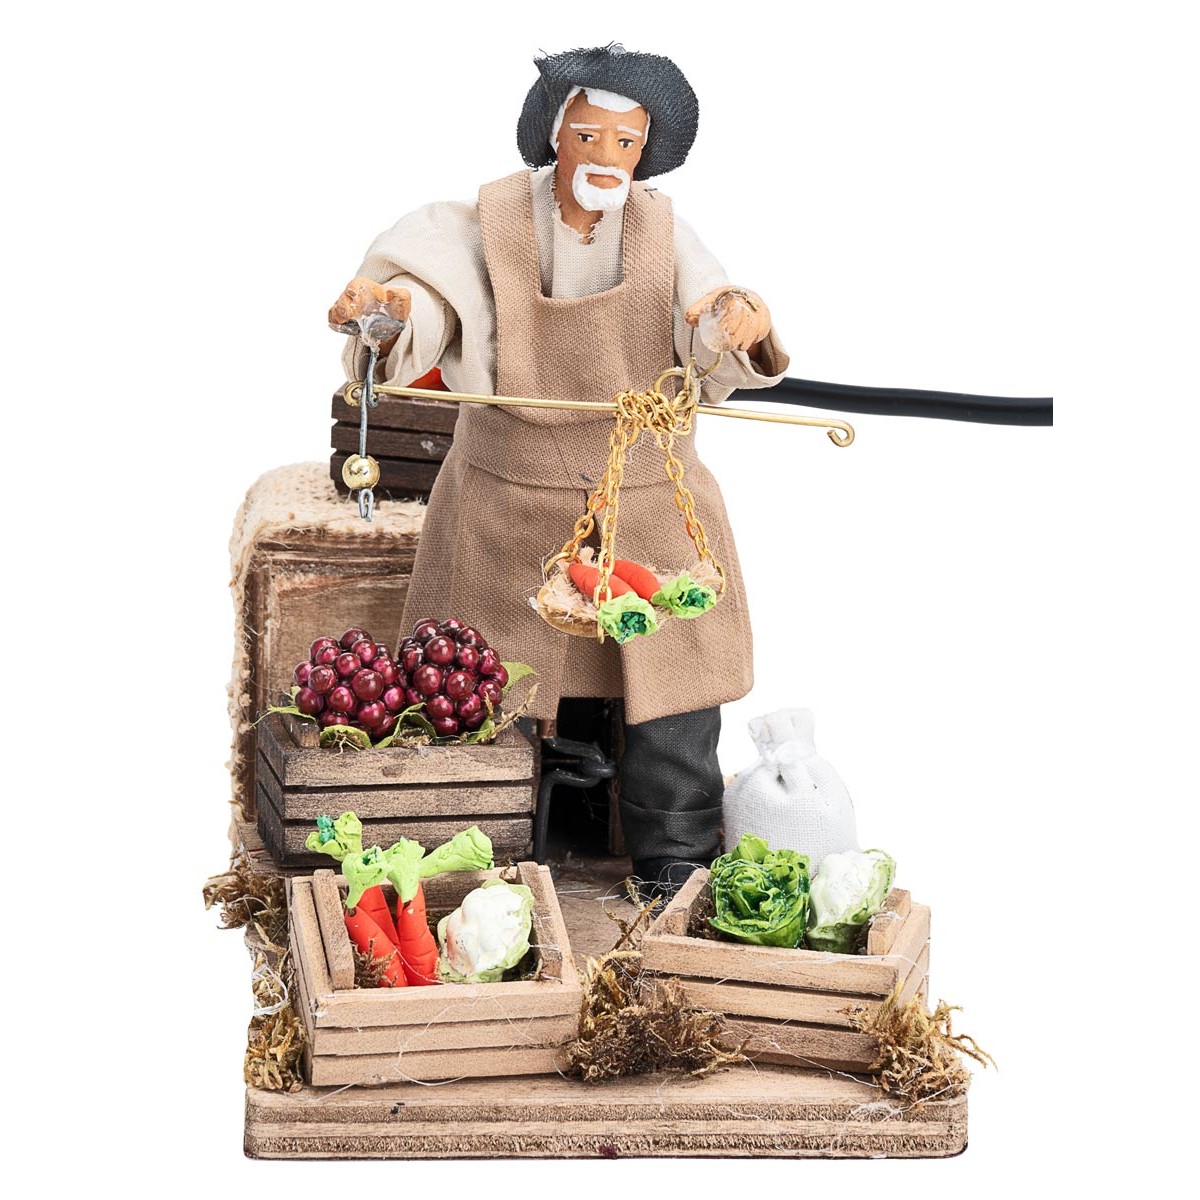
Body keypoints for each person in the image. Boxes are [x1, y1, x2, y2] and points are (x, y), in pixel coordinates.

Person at [330, 45, 788, 898]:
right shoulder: (490, 221)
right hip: (506, 493)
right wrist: (392, 314)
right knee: (484, 682)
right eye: (588, 136)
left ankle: (676, 849)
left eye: (625, 141)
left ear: (646, 149)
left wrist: (734, 321)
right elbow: (436, 301)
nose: (606, 157)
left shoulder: (666, 233)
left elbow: (709, 325)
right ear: (555, 134)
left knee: (675, 678)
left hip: (649, 490)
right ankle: (480, 848)